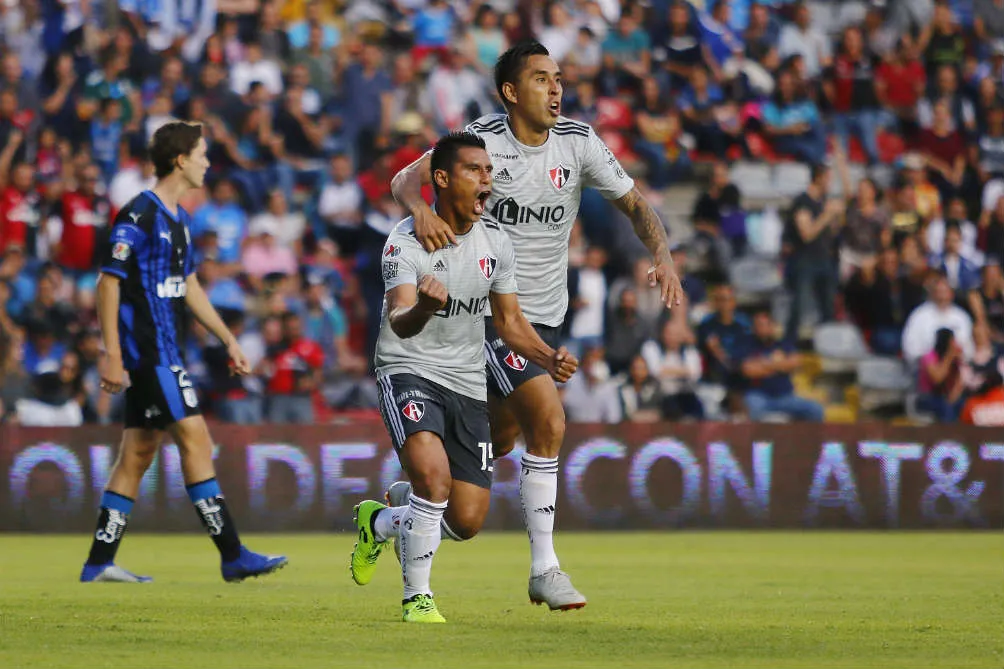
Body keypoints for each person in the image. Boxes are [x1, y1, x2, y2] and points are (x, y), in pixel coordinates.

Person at [389, 41, 683, 611]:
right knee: (548, 417)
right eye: (543, 79)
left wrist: (663, 254)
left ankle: (397, 518)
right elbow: (407, 179)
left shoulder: (578, 144)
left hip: (544, 321)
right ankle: (545, 569)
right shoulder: (480, 144)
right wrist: (419, 209)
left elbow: (636, 204)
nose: (556, 89)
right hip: (488, 317)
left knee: (485, 477)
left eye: (559, 79)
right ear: (510, 92)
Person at [348, 133, 578, 623]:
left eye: (488, 171)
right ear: (443, 179)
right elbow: (400, 320)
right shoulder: (404, 241)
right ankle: (417, 598)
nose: (487, 180)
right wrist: (426, 308)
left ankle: (383, 521)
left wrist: (548, 356)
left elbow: (511, 323)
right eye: (475, 170)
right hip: (408, 369)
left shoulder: (496, 241)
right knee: (432, 481)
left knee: (467, 519)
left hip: (467, 381)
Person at [79, 122, 287, 583]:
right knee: (195, 440)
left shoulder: (181, 220)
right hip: (149, 353)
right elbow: (107, 281)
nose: (207, 163)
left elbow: (188, 287)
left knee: (136, 455)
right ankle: (232, 554)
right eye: (202, 154)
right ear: (180, 160)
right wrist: (110, 351)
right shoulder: (139, 215)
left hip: (164, 350)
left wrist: (228, 339)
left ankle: (98, 563)